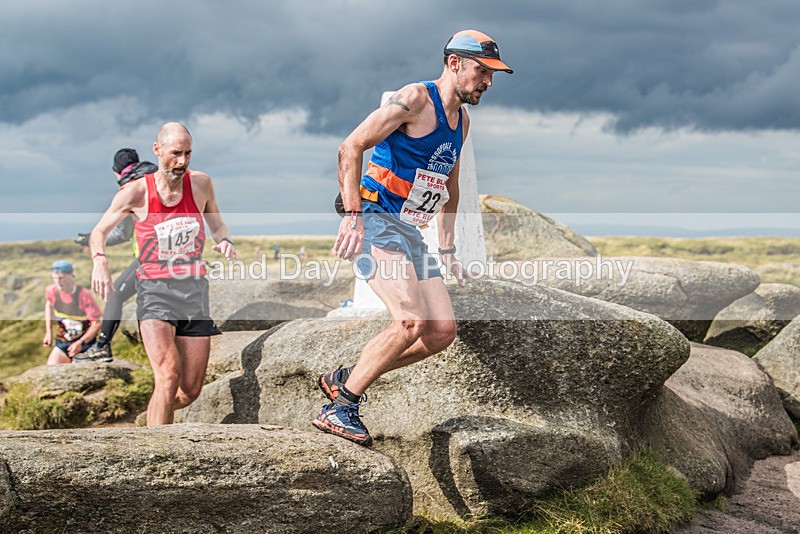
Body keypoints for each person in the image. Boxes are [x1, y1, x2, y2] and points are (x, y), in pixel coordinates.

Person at [314, 30, 512, 446]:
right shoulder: (415, 99)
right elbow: (350, 147)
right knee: (409, 321)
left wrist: (449, 249)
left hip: (407, 229)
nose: (488, 82)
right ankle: (341, 407)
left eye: (493, 75)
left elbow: (448, 189)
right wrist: (352, 217)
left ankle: (345, 380)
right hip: (374, 217)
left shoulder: (462, 121)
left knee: (440, 332)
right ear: (454, 63)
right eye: (483, 71)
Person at [90, 122, 238, 425]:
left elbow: (218, 225)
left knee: (189, 391)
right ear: (157, 150)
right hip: (155, 291)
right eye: (175, 154)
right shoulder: (135, 192)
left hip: (194, 293)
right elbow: (99, 231)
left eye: (187, 154)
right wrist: (99, 260)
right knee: (168, 375)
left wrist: (223, 240)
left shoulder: (201, 184)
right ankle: (156, 451)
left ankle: (152, 417)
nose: (182, 162)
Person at [72, 148, 158, 363]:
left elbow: (123, 233)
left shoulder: (130, 190)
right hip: (182, 255)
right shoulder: (159, 180)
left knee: (114, 295)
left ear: (117, 172)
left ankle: (102, 347)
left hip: (152, 257)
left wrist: (93, 239)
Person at [43, 260, 103, 365]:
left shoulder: (83, 295)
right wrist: (49, 332)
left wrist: (80, 342)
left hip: (85, 344)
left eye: (61, 278)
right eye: (54, 278)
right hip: (63, 341)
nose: (58, 282)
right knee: (51, 368)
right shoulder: (51, 291)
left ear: (71, 275)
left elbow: (96, 323)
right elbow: (49, 306)